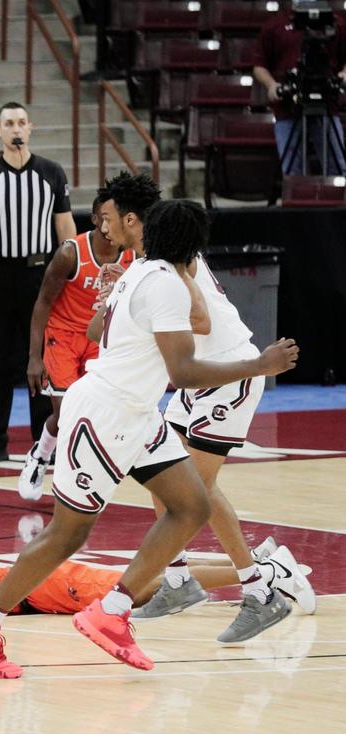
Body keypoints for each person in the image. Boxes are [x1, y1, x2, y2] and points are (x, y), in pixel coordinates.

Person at [0, 194, 299, 679]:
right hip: (105, 414)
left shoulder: (139, 272)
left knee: (191, 505)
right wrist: (260, 364)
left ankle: (113, 609)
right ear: (195, 245)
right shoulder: (163, 284)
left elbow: (101, 326)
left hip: (138, 414)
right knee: (66, 535)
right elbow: (183, 369)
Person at [89, 174, 317, 641]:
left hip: (227, 373)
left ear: (131, 219)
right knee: (157, 469)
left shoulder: (175, 254)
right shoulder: (146, 259)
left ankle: (261, 587)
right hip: (195, 379)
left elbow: (200, 319)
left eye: (107, 219)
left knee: (194, 489)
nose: (103, 229)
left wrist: (121, 300)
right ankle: (177, 580)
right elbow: (100, 331)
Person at [0, 515, 307, 626]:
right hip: (43, 589)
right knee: (147, 574)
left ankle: (265, 569)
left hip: (46, 588)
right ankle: (253, 558)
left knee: (149, 586)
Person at [0, 101, 76, 464]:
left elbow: (66, 227)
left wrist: (71, 276)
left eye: (21, 123)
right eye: (9, 123)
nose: (15, 129)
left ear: (30, 128)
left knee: (42, 357)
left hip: (39, 275)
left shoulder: (51, 172)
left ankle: (46, 442)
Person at [18, 193, 135, 500]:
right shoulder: (71, 253)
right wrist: (34, 356)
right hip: (63, 336)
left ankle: (77, 470)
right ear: (95, 219)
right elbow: (43, 301)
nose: (111, 225)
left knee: (97, 412)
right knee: (68, 412)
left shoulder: (131, 255)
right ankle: (42, 456)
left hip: (100, 338)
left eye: (117, 217)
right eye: (106, 218)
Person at [251, 7, 346, 175]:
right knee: (291, 170)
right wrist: (272, 85)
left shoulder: (337, 23)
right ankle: (294, 199)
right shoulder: (275, 25)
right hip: (288, 106)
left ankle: (337, 201)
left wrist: (344, 74)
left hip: (326, 105)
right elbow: (260, 65)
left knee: (337, 168)